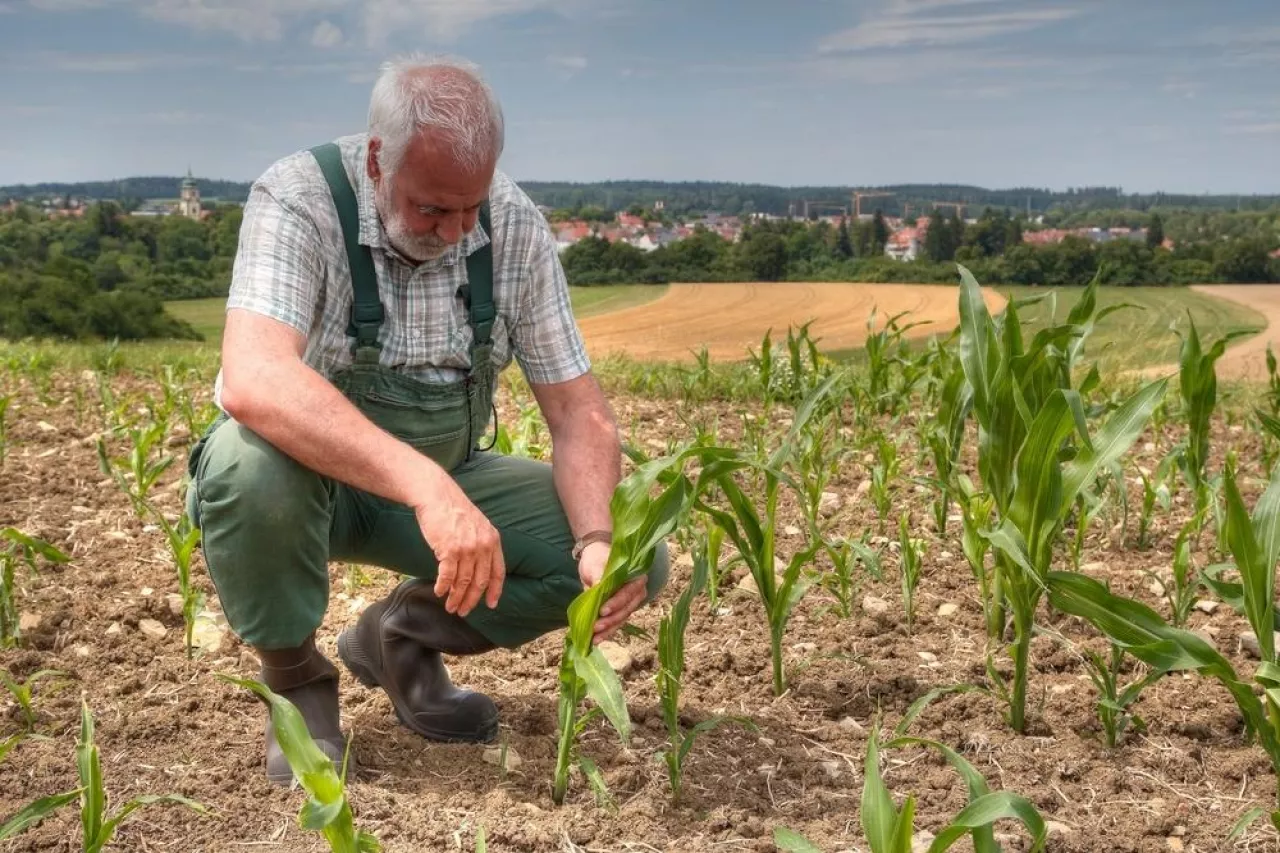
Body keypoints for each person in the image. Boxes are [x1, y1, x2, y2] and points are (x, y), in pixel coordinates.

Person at [184, 54, 669, 784]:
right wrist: (423, 485)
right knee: (246, 465)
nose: (455, 231)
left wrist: (600, 539)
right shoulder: (297, 198)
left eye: (470, 206)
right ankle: (296, 684)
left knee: (640, 554)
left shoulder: (511, 226)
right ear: (379, 160)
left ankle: (398, 635)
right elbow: (255, 379)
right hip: (307, 484)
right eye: (432, 208)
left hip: (444, 482)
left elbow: (576, 411)